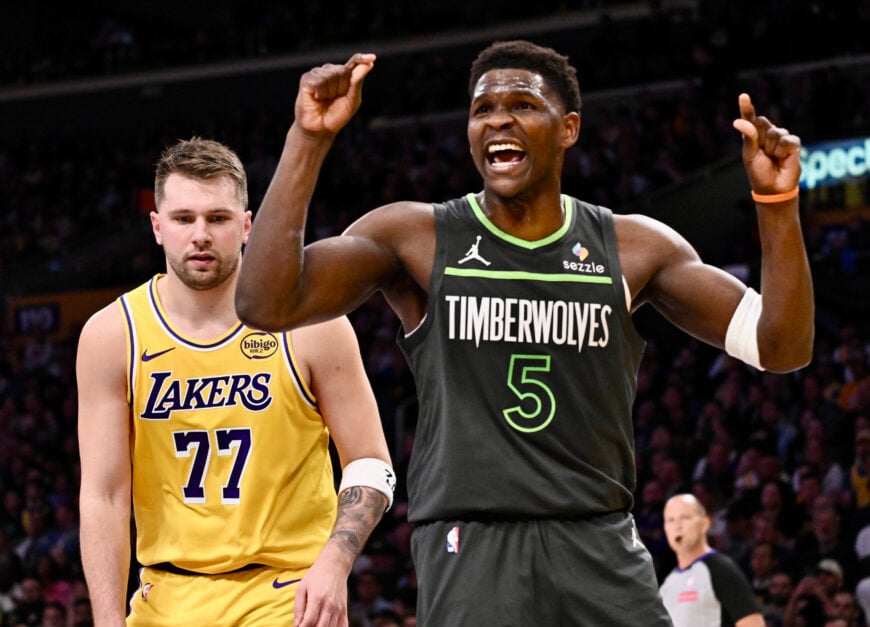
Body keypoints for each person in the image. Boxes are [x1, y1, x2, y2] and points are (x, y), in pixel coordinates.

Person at [235, 40, 814, 625]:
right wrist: (308, 140)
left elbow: (782, 348)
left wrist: (777, 202)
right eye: (482, 109)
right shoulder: (415, 236)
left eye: (522, 105)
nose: (498, 120)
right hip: (471, 546)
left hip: (599, 543)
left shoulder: (634, 247)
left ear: (568, 128)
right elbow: (265, 301)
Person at [77, 137, 395, 626]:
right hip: (167, 593)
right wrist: (106, 620)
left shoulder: (312, 322)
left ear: (247, 226)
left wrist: (336, 563)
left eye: (218, 219)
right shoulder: (111, 334)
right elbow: (104, 494)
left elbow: (372, 463)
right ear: (157, 228)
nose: (200, 234)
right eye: (184, 219)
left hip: (289, 593)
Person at [660, 494, 764, 626]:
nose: (677, 526)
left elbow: (754, 623)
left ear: (705, 524)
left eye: (685, 518)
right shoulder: (668, 584)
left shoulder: (722, 569)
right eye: (670, 520)